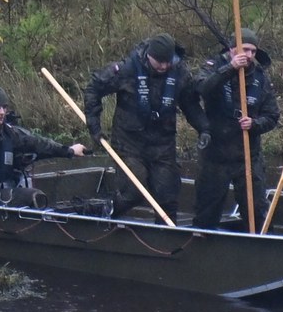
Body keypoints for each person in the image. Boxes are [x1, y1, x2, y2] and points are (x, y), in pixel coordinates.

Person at [84, 32, 209, 222]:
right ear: (149, 55)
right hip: (129, 142)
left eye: (168, 62)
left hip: (163, 144)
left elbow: (190, 104)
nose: (164, 66)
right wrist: (94, 126)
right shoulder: (127, 69)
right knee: (133, 191)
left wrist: (204, 128)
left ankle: (166, 240)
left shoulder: (180, 73)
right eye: (159, 62)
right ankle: (104, 213)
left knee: (168, 196)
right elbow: (94, 89)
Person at [192, 29, 280, 230]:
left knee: (257, 210)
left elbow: (273, 116)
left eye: (253, 51)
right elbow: (202, 88)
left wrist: (255, 124)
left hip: (248, 155)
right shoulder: (213, 67)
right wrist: (230, 69)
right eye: (244, 50)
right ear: (232, 50)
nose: (248, 55)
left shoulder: (260, 78)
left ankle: (259, 247)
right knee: (207, 210)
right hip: (216, 154)